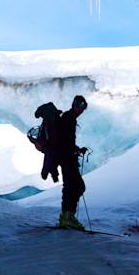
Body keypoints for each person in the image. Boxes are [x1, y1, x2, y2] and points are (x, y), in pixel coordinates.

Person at [54, 95, 89, 230]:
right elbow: (64, 141)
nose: (82, 110)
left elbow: (66, 141)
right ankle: (68, 217)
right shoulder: (68, 118)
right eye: (80, 106)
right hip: (67, 159)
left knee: (72, 186)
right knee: (75, 186)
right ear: (74, 105)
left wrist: (76, 149)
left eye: (84, 107)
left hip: (67, 158)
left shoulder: (69, 118)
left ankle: (66, 216)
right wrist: (73, 151)